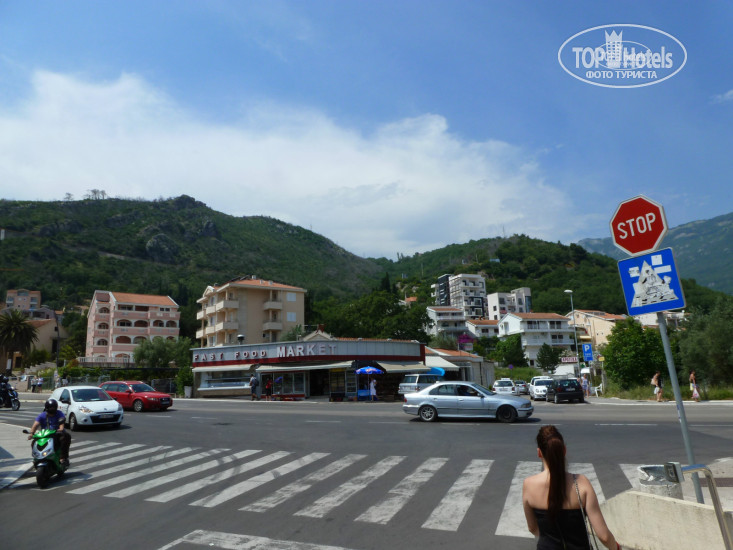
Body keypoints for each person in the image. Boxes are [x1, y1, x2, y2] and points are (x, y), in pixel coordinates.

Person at [523, 425, 620, 550]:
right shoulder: (581, 483)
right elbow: (604, 536)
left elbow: (532, 528)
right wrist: (617, 548)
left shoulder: (528, 485)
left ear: (539, 453)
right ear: (564, 450)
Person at [28, 398, 71, 466]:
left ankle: (63, 458)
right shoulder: (42, 415)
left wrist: (60, 429)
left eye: (53, 407)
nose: (52, 409)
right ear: (47, 408)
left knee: (66, 437)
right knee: (34, 442)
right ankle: (36, 457)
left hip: (56, 434)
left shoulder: (59, 413)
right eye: (51, 407)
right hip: (45, 435)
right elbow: (35, 425)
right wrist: (31, 434)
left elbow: (61, 423)